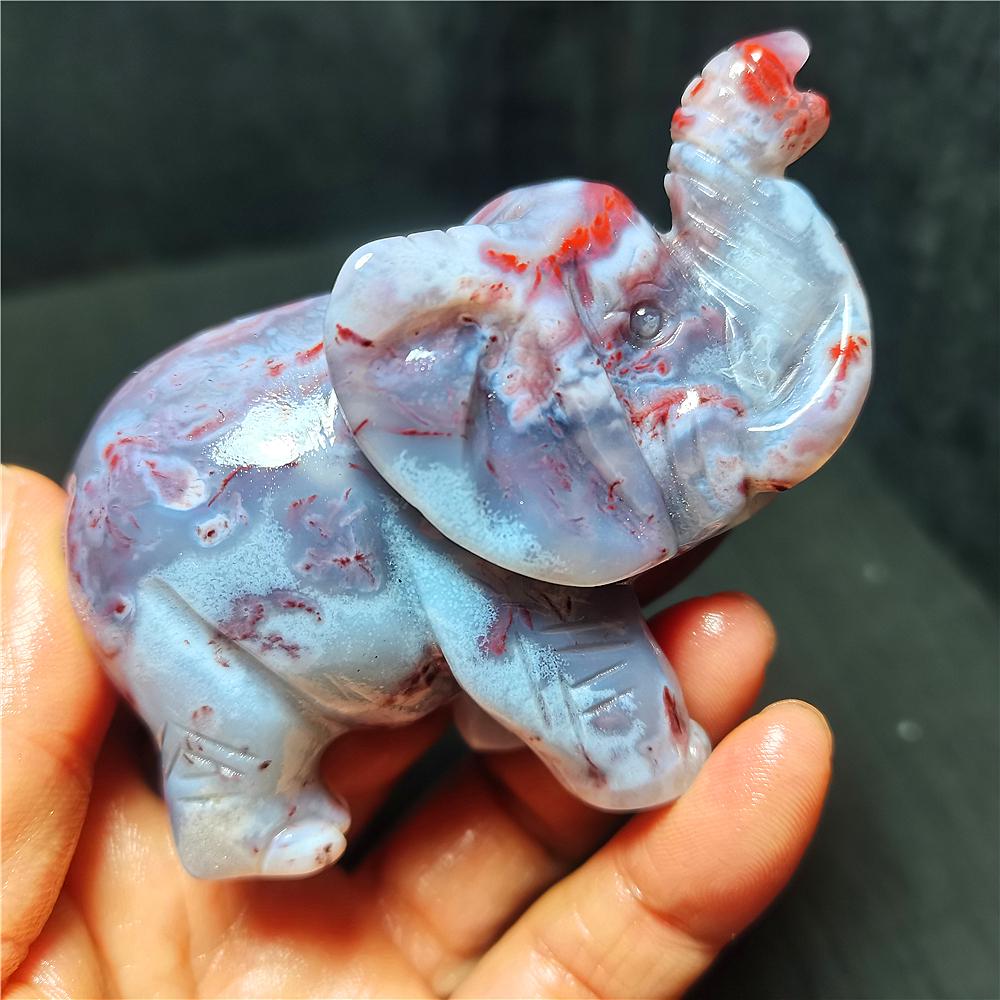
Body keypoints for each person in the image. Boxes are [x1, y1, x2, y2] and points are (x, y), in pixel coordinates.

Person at [1, 464, 831, 999]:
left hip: (312, 591)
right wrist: (634, 749)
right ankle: (234, 819)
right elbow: (511, 640)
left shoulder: (503, 481)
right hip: (194, 605)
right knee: (242, 719)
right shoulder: (474, 511)